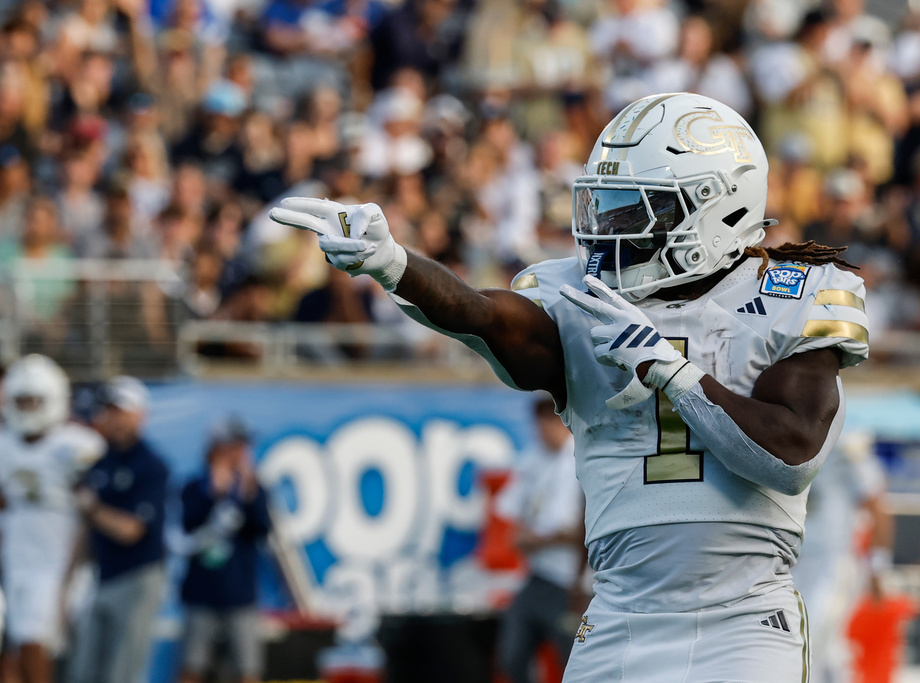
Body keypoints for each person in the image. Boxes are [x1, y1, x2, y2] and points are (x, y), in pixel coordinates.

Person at [270, 92, 870, 681]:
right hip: (619, 617)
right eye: (610, 207)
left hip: (742, 622)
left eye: (640, 211)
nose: (612, 230)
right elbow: (482, 314)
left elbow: (790, 455)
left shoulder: (793, 292)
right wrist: (396, 265)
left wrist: (669, 370)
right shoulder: (585, 299)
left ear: (719, 208)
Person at [0, 355, 105, 683]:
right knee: (17, 646)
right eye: (22, 400)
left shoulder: (78, 445)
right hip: (16, 555)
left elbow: (94, 504)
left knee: (36, 642)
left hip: (59, 557)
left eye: (35, 401)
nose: (28, 408)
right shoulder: (4, 444)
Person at [68, 376, 169, 683]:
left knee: (121, 671)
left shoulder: (151, 465)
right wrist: (68, 579)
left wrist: (92, 508)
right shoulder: (100, 461)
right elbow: (86, 528)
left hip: (137, 575)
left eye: (122, 410)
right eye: (110, 410)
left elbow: (131, 530)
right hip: (102, 575)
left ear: (140, 414)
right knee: (83, 669)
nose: (114, 418)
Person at [495, 394, 583, 683]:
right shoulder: (535, 459)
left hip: (574, 583)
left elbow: (583, 532)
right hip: (539, 576)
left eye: (552, 419)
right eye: (542, 420)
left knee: (573, 662)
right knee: (511, 655)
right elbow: (509, 513)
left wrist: (538, 540)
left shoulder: (581, 460)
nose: (545, 427)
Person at [792, 431, 893, 683]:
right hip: (794, 562)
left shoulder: (842, 445)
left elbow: (876, 507)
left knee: (811, 638)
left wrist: (877, 568)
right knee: (820, 644)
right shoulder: (786, 436)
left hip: (833, 562)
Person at [178, 417, 271, 683]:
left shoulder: (253, 490)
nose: (240, 455)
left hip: (239, 593)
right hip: (202, 592)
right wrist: (215, 494)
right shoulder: (194, 488)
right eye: (234, 448)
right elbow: (189, 527)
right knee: (192, 665)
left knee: (247, 668)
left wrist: (248, 492)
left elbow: (262, 529)